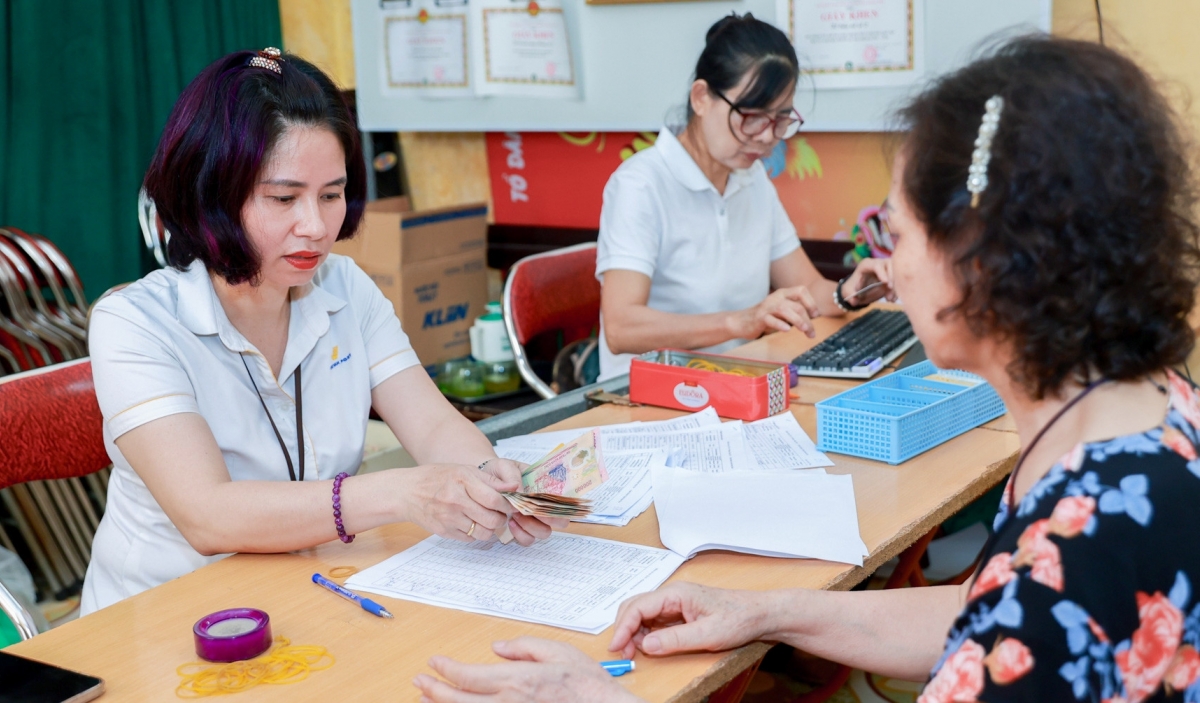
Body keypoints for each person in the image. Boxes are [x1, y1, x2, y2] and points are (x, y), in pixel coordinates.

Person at [413, 36, 1200, 703]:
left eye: (896, 233)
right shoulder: (1151, 416)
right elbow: (984, 609)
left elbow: (1019, 615)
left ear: (981, 263)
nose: (891, 263)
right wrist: (764, 612)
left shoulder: (1080, 553)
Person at [80, 49, 563, 615]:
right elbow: (207, 515)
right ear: (211, 194)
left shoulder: (346, 287)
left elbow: (432, 423)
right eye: (284, 198)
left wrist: (487, 482)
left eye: (331, 195)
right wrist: (403, 492)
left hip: (305, 593)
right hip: (164, 620)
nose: (314, 226)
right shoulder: (134, 323)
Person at [595, 13, 894, 381]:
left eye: (780, 119)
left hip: (730, 384)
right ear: (701, 98)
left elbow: (807, 287)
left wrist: (848, 292)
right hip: (645, 394)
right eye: (751, 116)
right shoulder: (641, 185)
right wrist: (739, 322)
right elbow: (621, 328)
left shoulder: (752, 181)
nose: (767, 136)